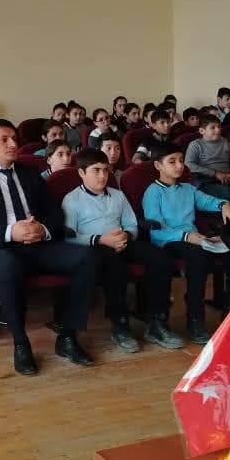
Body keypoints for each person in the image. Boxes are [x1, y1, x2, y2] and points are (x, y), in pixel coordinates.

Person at [0, 119, 99, 375]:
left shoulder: (30, 172)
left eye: (14, 138)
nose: (13, 144)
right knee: (8, 265)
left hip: (37, 243)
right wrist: (10, 232)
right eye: (4, 140)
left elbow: (54, 212)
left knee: (88, 257)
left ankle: (68, 336)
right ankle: (21, 343)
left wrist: (43, 229)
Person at [62, 149, 182, 352]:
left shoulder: (117, 195)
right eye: (96, 170)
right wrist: (101, 239)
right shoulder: (72, 200)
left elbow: (131, 224)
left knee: (161, 258)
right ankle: (120, 325)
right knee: (115, 265)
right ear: (82, 173)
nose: (102, 176)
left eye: (105, 170)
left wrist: (126, 235)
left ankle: (157, 321)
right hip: (95, 246)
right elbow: (69, 236)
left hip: (122, 241)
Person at [142, 143, 230, 338]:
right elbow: (156, 231)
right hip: (169, 241)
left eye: (181, 160)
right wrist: (186, 236)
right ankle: (195, 317)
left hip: (195, 238)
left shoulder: (187, 188)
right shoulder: (153, 192)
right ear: (158, 165)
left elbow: (208, 201)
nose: (179, 166)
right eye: (172, 162)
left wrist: (224, 204)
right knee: (198, 256)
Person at [185, 115, 230, 198]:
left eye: (219, 127)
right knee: (226, 192)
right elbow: (188, 165)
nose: (218, 130)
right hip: (207, 180)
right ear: (202, 131)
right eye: (213, 127)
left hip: (228, 178)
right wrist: (215, 174)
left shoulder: (225, 142)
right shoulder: (195, 145)